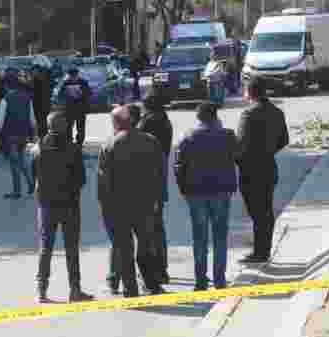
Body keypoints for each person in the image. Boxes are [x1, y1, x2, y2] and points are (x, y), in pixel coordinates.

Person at [97, 105, 166, 297]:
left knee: (124, 249)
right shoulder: (151, 141)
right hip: (145, 204)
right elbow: (160, 174)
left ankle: (130, 289)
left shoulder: (110, 144)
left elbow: (103, 181)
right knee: (146, 246)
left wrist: (104, 207)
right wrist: (158, 200)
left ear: (117, 123)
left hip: (118, 207)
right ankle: (152, 284)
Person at [174, 102, 239, 290]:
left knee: (199, 238)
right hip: (221, 191)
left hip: (196, 193)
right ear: (216, 116)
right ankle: (219, 279)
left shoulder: (188, 137)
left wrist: (183, 189)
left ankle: (200, 280)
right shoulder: (227, 135)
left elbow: (178, 166)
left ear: (198, 117)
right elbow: (238, 155)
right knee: (220, 236)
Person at [33, 111, 92, 303]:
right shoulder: (73, 149)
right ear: (65, 127)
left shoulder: (38, 148)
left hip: (46, 204)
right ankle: (75, 290)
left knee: (45, 248)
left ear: (48, 126)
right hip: (69, 204)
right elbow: (81, 179)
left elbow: (33, 174)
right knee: (71, 248)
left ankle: (41, 290)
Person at [235, 77, 289, 264]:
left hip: (251, 170)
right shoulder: (277, 112)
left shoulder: (248, 114)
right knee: (265, 210)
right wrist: (268, 151)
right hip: (268, 166)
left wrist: (236, 159)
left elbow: (241, 145)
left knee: (257, 212)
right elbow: (284, 140)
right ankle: (263, 249)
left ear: (249, 92)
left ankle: (260, 252)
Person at [135, 91, 174, 285]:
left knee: (148, 229)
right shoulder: (165, 121)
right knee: (158, 227)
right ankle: (162, 269)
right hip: (160, 178)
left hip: (146, 181)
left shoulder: (147, 123)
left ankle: (153, 271)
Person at [0, 69, 37, 198]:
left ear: (7, 86)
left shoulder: (5, 100)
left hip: (10, 135)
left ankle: (17, 191)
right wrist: (34, 134)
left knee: (14, 163)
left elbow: (0, 121)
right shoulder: (27, 99)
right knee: (22, 160)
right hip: (23, 134)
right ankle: (31, 183)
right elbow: (32, 118)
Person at [55, 66, 91, 146]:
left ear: (78, 74)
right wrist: (66, 94)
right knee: (68, 126)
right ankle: (69, 141)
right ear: (69, 75)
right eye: (71, 75)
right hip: (69, 108)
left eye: (75, 75)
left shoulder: (83, 82)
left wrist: (82, 93)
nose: (73, 77)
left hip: (80, 107)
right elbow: (59, 94)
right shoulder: (65, 82)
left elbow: (89, 93)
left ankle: (79, 142)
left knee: (80, 126)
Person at [30, 64, 51, 138]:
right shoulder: (44, 79)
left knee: (41, 122)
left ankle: (42, 137)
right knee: (42, 121)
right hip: (41, 105)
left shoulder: (38, 80)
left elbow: (36, 93)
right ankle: (42, 137)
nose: (33, 73)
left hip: (40, 105)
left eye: (34, 71)